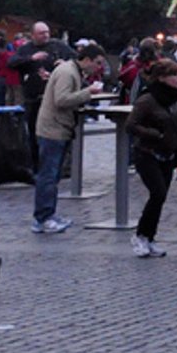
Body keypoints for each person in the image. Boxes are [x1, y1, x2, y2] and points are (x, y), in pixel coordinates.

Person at [32, 42, 107, 234]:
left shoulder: (71, 70)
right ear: (87, 60)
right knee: (48, 175)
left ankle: (48, 214)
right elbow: (62, 99)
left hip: (57, 128)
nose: (98, 67)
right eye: (97, 63)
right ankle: (43, 218)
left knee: (52, 175)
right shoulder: (68, 72)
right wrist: (87, 93)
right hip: (53, 130)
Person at [126, 57, 177, 257]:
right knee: (157, 192)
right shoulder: (147, 100)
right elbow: (131, 125)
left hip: (168, 153)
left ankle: (150, 237)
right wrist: (154, 134)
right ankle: (140, 235)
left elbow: (176, 121)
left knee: (161, 197)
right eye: (174, 75)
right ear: (161, 78)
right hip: (147, 153)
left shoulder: (175, 98)